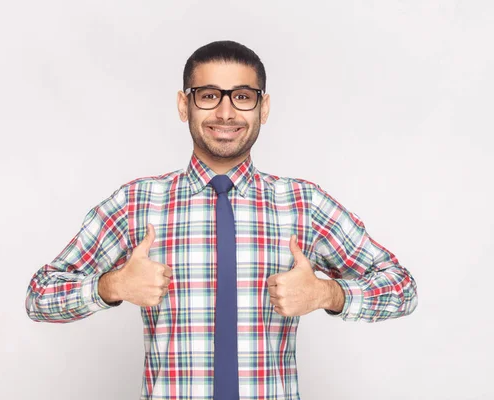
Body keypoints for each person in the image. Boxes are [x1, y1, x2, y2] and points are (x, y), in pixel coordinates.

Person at [25, 40, 418, 400]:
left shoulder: (303, 204)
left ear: (263, 107)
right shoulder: (137, 203)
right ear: (184, 105)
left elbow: (401, 288)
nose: (226, 112)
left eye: (243, 97)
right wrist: (112, 286)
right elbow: (40, 295)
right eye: (209, 95)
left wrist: (328, 294)